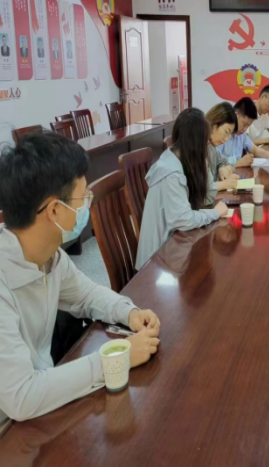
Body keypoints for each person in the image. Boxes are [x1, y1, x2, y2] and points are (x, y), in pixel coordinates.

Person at [0, 132, 161, 423]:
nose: (88, 204)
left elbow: (87, 295)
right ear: (54, 210)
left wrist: (128, 312)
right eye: (83, 197)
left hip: (44, 398)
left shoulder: (50, 256)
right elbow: (21, 396)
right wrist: (117, 360)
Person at [136, 108, 230, 269]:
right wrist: (215, 213)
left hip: (173, 249)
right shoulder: (171, 173)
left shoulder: (179, 158)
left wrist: (204, 169)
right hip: (156, 263)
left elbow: (205, 198)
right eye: (205, 142)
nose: (207, 147)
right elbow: (184, 219)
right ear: (196, 143)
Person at [217, 97, 269, 167]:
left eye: (248, 126)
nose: (245, 129)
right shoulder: (221, 133)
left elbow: (254, 149)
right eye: (244, 124)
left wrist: (268, 154)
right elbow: (216, 162)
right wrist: (238, 163)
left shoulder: (241, 135)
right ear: (236, 115)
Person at [205, 102, 240, 194]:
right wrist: (225, 184)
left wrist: (223, 168)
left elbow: (227, 162)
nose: (226, 139)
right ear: (214, 125)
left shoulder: (210, 147)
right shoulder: (197, 147)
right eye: (226, 132)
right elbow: (201, 188)